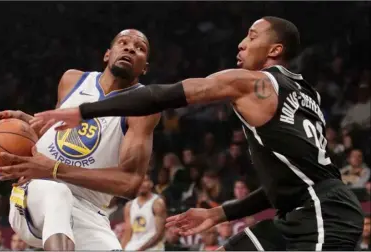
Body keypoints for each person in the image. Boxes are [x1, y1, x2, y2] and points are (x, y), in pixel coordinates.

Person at [32, 16, 365, 250]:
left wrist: (84, 109)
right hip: (298, 212)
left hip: (324, 213)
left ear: (274, 50)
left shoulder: (253, 82)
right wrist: (219, 213)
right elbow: (290, 182)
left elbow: (163, 95)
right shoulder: (306, 92)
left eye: (251, 36)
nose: (241, 42)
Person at [0, 29, 160, 250]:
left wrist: (54, 168)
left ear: (145, 68)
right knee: (58, 192)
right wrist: (23, 125)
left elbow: (129, 183)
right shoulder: (72, 80)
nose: (130, 48)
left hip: (90, 213)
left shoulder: (144, 108)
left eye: (140, 48)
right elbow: (53, 133)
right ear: (107, 54)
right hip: (35, 192)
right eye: (123, 43)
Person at [121, 175, 167, 251]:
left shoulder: (157, 203)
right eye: (138, 182)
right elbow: (127, 233)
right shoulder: (129, 206)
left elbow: (160, 234)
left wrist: (142, 249)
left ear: (151, 183)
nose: (141, 184)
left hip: (152, 247)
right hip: (133, 247)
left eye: (144, 181)